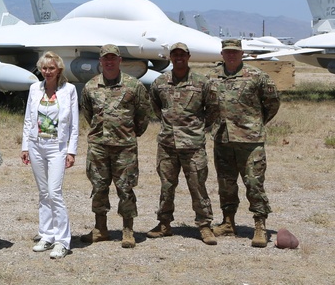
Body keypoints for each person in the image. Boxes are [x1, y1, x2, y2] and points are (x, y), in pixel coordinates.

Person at [208, 38, 281, 247]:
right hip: (223, 139)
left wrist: (256, 123)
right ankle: (228, 222)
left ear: (242, 54)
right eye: (227, 52)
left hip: (250, 141)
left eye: (235, 52)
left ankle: (260, 225)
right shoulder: (212, 77)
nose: (231, 55)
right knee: (226, 183)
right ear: (222, 54)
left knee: (254, 182)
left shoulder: (257, 76)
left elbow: (272, 102)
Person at [80, 44, 152, 249]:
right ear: (101, 62)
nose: (109, 62)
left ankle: (127, 230)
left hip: (124, 147)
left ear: (120, 61)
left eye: (113, 58)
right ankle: (100, 228)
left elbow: (143, 114)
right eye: (105, 58)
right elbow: (88, 113)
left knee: (126, 188)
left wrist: (130, 133)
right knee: (99, 187)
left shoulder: (133, 85)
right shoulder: (91, 86)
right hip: (99, 146)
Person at [147, 43, 217, 245]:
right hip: (167, 145)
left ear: (188, 56)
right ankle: (164, 224)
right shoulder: (160, 83)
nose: (179, 58)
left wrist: (198, 127)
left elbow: (212, 109)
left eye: (182, 55)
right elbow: (156, 108)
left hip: (193, 145)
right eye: (175, 55)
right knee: (166, 187)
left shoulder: (202, 82)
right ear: (170, 57)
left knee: (197, 186)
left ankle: (204, 226)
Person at [21, 52, 79, 260]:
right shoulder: (34, 89)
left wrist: (71, 150)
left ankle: (63, 241)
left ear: (59, 70)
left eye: (51, 68)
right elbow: (29, 118)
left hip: (57, 146)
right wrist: (25, 146)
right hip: (37, 145)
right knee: (43, 192)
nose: (47, 72)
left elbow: (73, 123)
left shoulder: (69, 90)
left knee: (54, 192)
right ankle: (47, 235)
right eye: (44, 68)